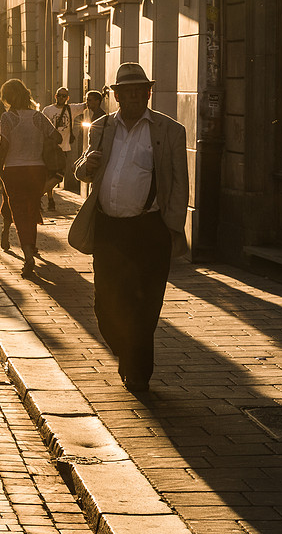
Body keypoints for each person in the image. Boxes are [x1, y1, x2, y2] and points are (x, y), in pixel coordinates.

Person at [73, 62, 189, 394]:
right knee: (106, 305)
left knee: (145, 304)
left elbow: (179, 182)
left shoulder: (169, 131)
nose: (135, 98)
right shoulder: (101, 127)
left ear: (148, 93)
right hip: (110, 230)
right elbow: (82, 170)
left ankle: (138, 373)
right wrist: (85, 166)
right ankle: (127, 353)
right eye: (128, 93)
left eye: (141, 92)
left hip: (150, 230)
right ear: (117, 96)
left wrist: (173, 225)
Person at [0, 79, 59, 275]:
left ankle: (28, 256)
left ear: (6, 96)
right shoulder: (38, 117)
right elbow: (57, 137)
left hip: (13, 170)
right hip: (37, 170)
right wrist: (40, 143)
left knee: (19, 212)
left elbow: (3, 146)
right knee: (32, 211)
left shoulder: (8, 118)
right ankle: (30, 248)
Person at [42, 87, 85, 208]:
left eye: (64, 96)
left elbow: (86, 105)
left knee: (58, 176)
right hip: (50, 148)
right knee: (49, 175)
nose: (61, 98)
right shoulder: (47, 110)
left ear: (67, 98)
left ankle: (38, 196)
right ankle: (50, 200)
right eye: (59, 95)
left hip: (64, 148)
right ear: (55, 96)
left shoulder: (71, 109)